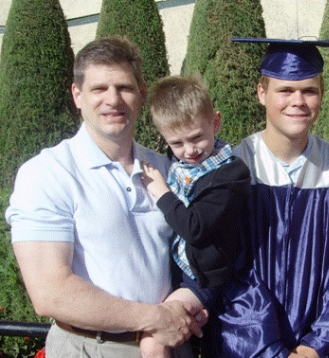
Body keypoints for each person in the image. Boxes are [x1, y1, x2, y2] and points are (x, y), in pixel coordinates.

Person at [5, 36, 205, 358]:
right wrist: (154, 319)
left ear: (141, 94)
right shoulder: (47, 173)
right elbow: (50, 293)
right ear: (77, 95)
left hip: (168, 346)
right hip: (89, 348)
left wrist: (191, 303)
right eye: (99, 89)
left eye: (124, 87)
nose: (113, 100)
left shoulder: (167, 168)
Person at [201, 38, 329, 358]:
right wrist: (269, 349)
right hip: (247, 346)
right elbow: (228, 270)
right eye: (285, 90)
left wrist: (316, 345)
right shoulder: (234, 168)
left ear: (322, 95)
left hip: (323, 349)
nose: (298, 101)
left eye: (309, 90)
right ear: (262, 93)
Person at [138, 74, 251, 358]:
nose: (189, 151)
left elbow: (195, 227)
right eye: (177, 143)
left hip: (201, 281)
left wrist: (162, 193)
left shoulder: (231, 174)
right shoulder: (176, 165)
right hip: (173, 273)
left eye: (197, 137)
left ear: (215, 122)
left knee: (153, 342)